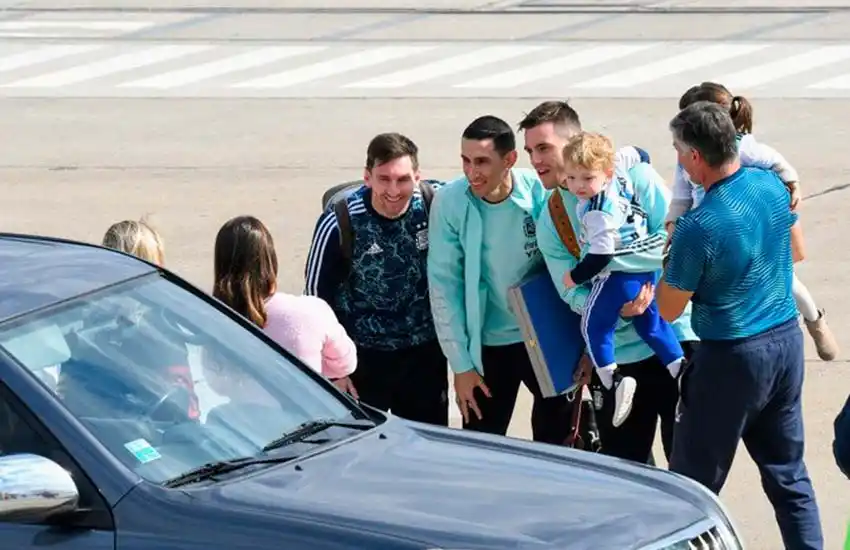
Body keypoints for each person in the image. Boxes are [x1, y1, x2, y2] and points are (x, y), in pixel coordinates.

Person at [658, 101, 823, 550]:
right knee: (789, 475)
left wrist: (665, 259)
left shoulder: (699, 225)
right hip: (785, 344)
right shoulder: (769, 186)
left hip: (731, 358)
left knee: (693, 488)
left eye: (677, 149)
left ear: (694, 156)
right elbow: (795, 249)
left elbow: (669, 309)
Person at [521, 100, 699, 464]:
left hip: (674, 336)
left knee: (689, 468)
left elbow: (675, 244)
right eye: (529, 151)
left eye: (544, 148)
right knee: (627, 471)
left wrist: (641, 290)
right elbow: (570, 291)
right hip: (620, 359)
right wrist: (618, 310)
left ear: (575, 144)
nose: (536, 161)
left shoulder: (636, 179)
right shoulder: (551, 218)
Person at [428, 114, 575, 443]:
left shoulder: (538, 192)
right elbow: (444, 287)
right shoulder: (451, 202)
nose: (471, 172)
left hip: (541, 335)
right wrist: (462, 366)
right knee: (482, 448)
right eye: (465, 161)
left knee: (560, 444)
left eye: (482, 161)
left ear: (510, 160)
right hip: (487, 347)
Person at [667, 81, 838, 362]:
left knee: (788, 281)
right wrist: (673, 224)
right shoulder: (686, 157)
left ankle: (814, 320)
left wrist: (793, 185)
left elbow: (778, 164)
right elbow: (681, 195)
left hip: (747, 228)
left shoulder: (743, 148)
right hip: (712, 231)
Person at [303, 133, 449, 426]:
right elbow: (315, 300)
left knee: (426, 452)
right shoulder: (341, 220)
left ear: (418, 177)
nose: (394, 190)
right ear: (367, 178)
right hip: (363, 359)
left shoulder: (435, 205)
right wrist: (334, 369)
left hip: (424, 356)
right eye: (384, 179)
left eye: (403, 179)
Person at [560, 131, 683, 428]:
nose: (578, 186)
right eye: (572, 178)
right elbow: (638, 152)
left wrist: (573, 278)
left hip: (618, 275)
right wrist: (641, 155)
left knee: (593, 325)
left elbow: (602, 254)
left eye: (587, 178)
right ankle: (681, 369)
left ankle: (614, 380)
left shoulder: (596, 211)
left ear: (605, 174)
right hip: (648, 272)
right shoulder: (620, 168)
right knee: (651, 325)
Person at [214, 215, 358, 397]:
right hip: (305, 415)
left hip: (243, 419)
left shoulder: (215, 318)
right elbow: (346, 363)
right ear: (271, 261)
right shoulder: (310, 310)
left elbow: (216, 384)